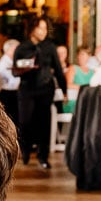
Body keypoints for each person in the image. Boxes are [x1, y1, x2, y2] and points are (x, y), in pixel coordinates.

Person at [13, 15, 67, 168]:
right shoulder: (22, 47)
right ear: (32, 29)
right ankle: (25, 152)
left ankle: (43, 157)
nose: (43, 32)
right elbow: (15, 72)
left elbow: (58, 70)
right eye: (40, 28)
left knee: (44, 122)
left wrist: (64, 91)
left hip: (45, 88)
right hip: (27, 89)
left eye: (45, 28)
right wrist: (25, 68)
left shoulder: (49, 46)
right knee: (25, 122)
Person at [0, 38, 20, 124]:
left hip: (10, 94)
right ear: (10, 50)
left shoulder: (11, 62)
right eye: (17, 49)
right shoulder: (4, 63)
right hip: (7, 95)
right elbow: (14, 82)